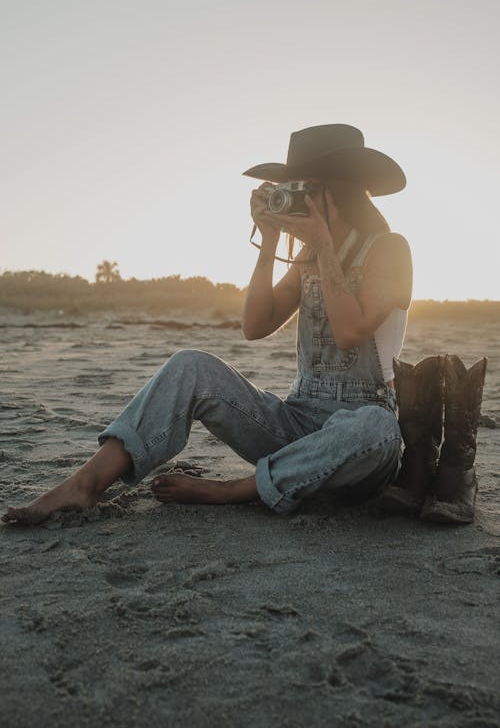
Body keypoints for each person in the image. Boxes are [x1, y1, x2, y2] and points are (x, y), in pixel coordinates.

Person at [2, 123, 413, 526]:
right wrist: (269, 240)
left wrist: (323, 245)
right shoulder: (308, 257)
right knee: (190, 363)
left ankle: (237, 490)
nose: (293, 199)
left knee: (376, 428)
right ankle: (87, 483)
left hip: (360, 436)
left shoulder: (390, 250)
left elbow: (348, 332)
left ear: (336, 188)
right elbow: (255, 325)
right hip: (298, 426)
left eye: (302, 188)